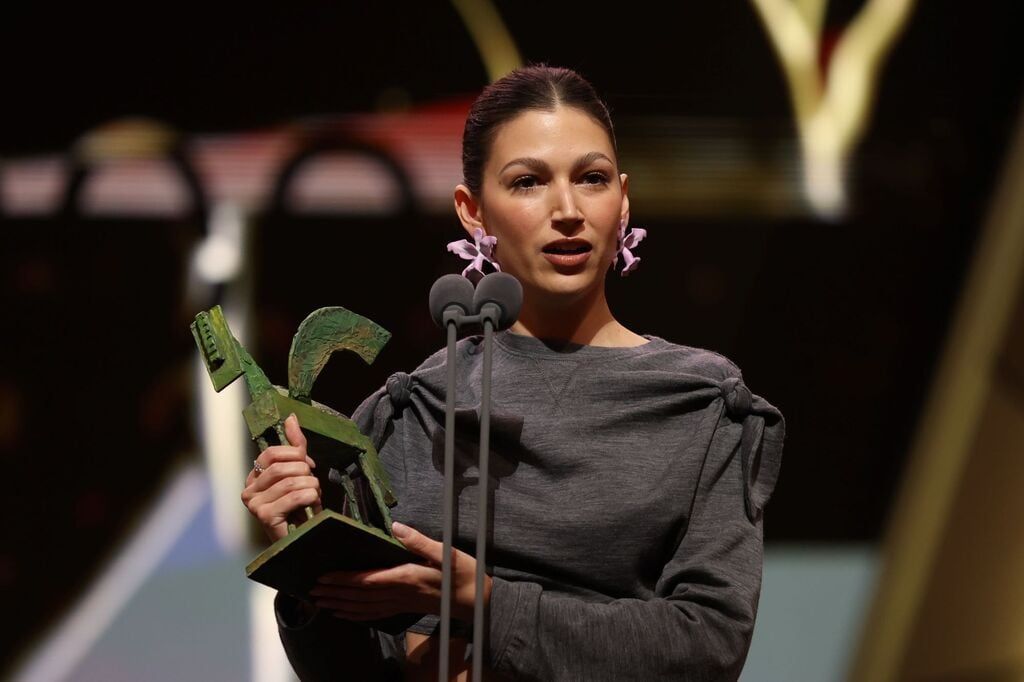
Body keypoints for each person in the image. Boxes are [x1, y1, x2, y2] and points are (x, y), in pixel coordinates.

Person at [240, 64, 785, 681]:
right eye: (528, 182)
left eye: (592, 178)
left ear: (624, 200)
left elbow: (709, 646)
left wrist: (487, 602)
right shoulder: (410, 412)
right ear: (473, 213)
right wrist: (305, 561)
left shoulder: (700, 406)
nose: (568, 210)